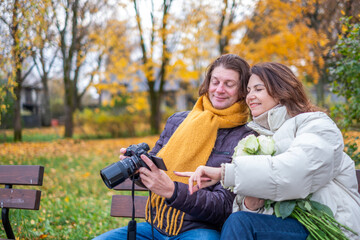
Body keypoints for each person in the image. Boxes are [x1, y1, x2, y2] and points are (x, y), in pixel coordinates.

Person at [176, 62, 360, 239]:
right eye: (248, 91)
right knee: (240, 220)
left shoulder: (316, 124)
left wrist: (225, 173)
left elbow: (294, 173)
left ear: (281, 91)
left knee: (241, 224)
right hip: (284, 226)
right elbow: (250, 211)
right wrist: (252, 204)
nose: (250, 96)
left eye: (258, 89)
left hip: (329, 228)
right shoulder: (258, 139)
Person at [93, 54, 255, 240]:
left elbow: (225, 206)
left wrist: (172, 190)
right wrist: (138, 169)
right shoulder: (177, 121)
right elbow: (155, 172)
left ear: (242, 90)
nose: (219, 89)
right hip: (155, 227)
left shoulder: (246, 136)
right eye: (215, 81)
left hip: (200, 231)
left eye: (229, 84)